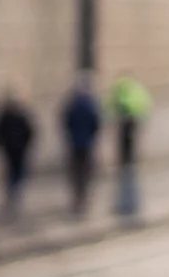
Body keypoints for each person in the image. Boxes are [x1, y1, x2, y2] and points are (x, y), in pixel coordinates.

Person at [0, 86, 37, 218]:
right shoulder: (16, 113)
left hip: (12, 148)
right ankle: (14, 193)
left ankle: (13, 193)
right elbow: (30, 131)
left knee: (14, 173)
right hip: (16, 148)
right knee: (16, 173)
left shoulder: (8, 114)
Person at [108, 72, 150, 217]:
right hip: (129, 134)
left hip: (127, 134)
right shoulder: (134, 91)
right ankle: (128, 203)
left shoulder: (121, 91)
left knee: (127, 169)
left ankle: (127, 204)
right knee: (129, 169)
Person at [61, 73, 101, 217]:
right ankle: (83, 198)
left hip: (74, 143)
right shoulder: (91, 104)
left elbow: (65, 121)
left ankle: (77, 198)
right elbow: (96, 123)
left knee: (76, 173)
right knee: (85, 172)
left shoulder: (71, 104)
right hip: (87, 143)